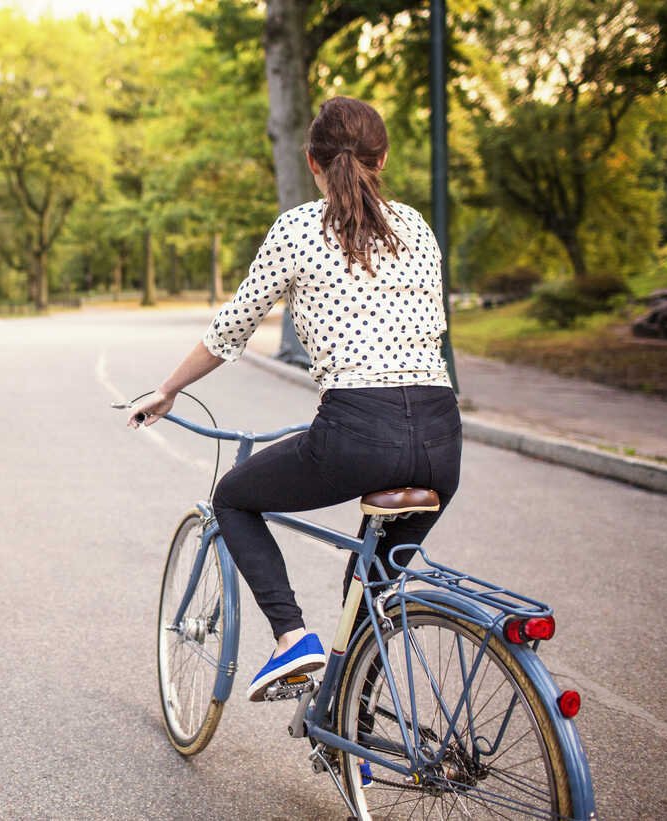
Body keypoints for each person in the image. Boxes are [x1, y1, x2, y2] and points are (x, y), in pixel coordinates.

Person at [126, 96, 462, 702]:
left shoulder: (300, 228)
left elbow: (232, 328)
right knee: (371, 589)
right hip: (442, 439)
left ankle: (291, 640)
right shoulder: (416, 225)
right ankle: (347, 724)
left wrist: (169, 389)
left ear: (311, 160)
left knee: (231, 497)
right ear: (382, 158)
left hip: (357, 433)